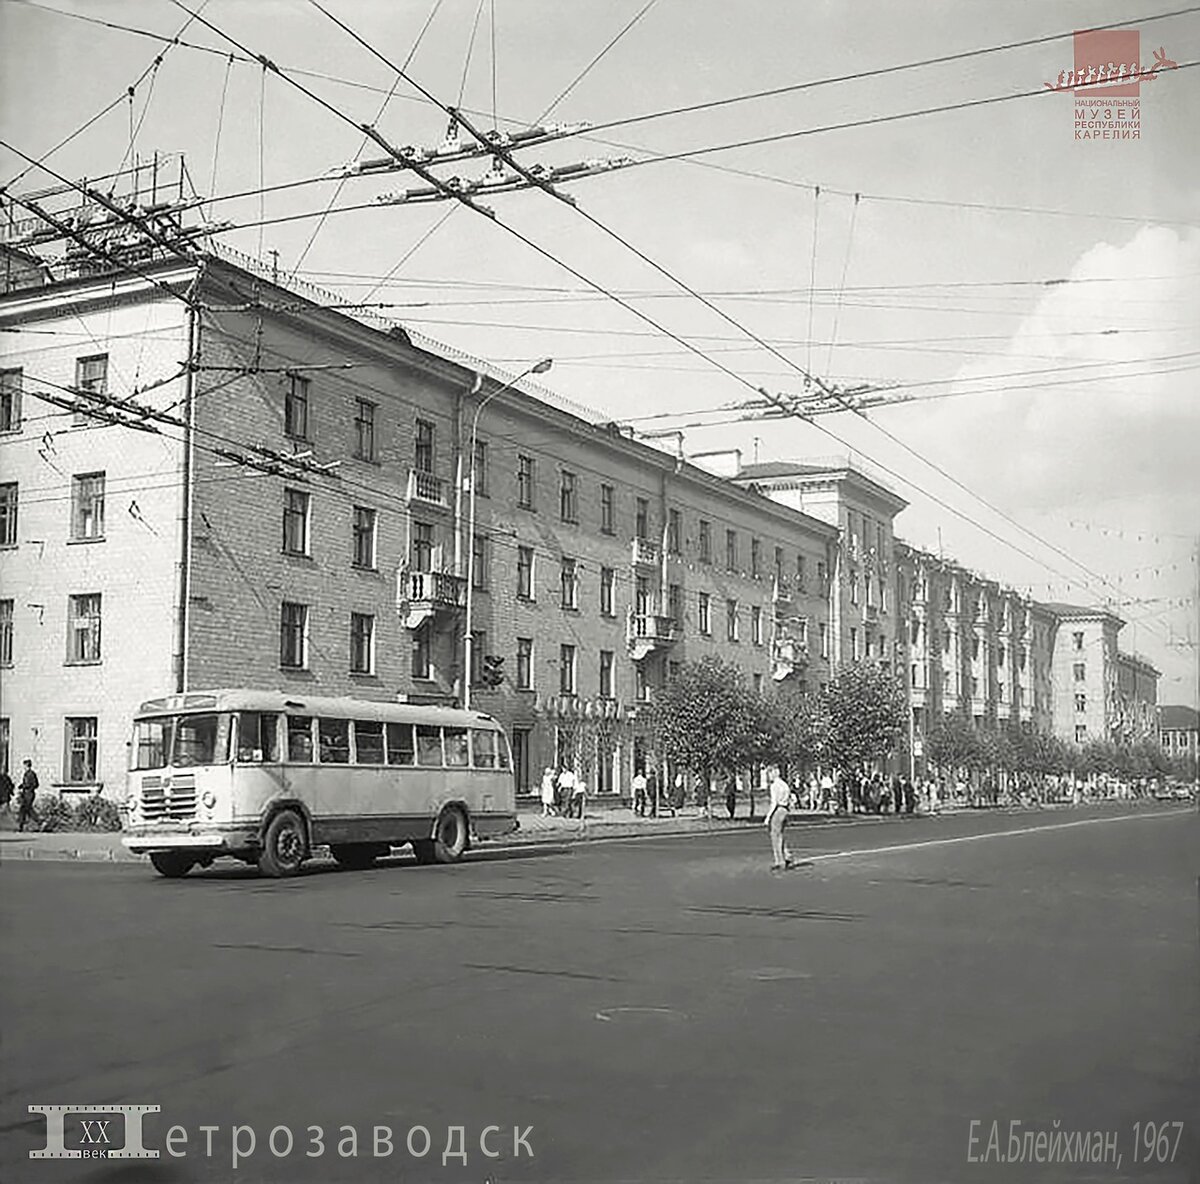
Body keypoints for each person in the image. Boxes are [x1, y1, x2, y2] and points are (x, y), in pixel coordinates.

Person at [765, 770, 795, 871]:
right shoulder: (785, 784)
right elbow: (791, 798)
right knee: (780, 834)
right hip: (785, 809)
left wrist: (768, 816)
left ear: (773, 774)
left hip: (778, 809)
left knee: (775, 835)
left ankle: (779, 861)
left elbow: (774, 802)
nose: (768, 776)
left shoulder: (774, 786)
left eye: (769, 774)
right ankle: (787, 855)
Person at [17, 759, 39, 832]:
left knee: (27, 809)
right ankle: (22, 826)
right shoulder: (27, 774)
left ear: (27, 766)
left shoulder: (31, 774)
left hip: (29, 794)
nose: (23, 767)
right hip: (26, 793)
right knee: (24, 809)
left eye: (24, 765)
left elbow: (35, 784)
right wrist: (22, 785)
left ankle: (38, 821)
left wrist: (25, 786)